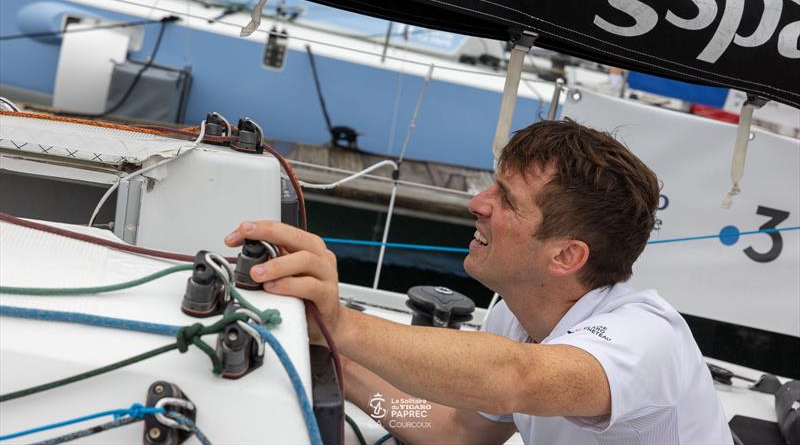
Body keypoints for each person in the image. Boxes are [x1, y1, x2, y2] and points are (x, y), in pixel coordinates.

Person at [225, 119, 732, 445]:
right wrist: (332, 354)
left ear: (566, 255)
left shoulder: (647, 339)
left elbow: (517, 378)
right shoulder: (515, 310)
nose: (476, 203)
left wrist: (345, 323)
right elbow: (453, 433)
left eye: (506, 199)